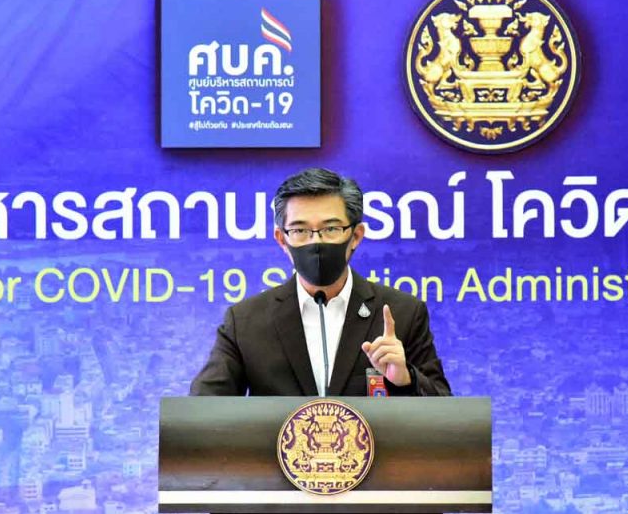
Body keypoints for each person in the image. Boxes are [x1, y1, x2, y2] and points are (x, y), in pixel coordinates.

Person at [190, 167, 451, 397]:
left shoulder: (403, 313)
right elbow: (204, 409)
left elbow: (444, 413)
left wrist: (406, 379)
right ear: (282, 240)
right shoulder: (245, 321)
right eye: (300, 230)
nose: (316, 242)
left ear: (356, 236)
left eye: (331, 229)